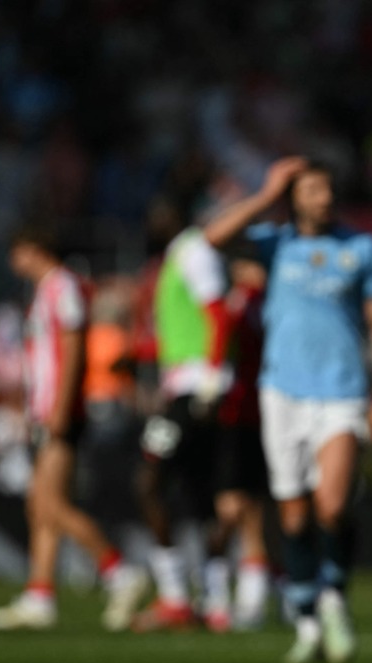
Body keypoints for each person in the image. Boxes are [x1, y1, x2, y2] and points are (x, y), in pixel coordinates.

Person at [203, 157, 372, 663]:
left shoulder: (360, 247)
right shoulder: (276, 244)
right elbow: (214, 238)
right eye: (312, 189)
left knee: (331, 505)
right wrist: (267, 192)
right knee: (292, 517)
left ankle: (334, 596)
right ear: (295, 197)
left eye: (328, 188)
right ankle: (307, 617)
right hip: (282, 394)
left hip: (342, 391)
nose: (323, 198)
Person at [0, 225, 148, 631]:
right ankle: (40, 594)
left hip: (62, 410)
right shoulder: (45, 291)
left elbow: (74, 347)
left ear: (31, 249)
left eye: (17, 253)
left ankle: (119, 572)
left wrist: (60, 406)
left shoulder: (63, 287)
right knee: (40, 505)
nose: (14, 263)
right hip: (46, 409)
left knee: (52, 503)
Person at [132, 219, 233, 631]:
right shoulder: (177, 259)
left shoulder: (192, 251)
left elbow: (218, 317)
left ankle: (175, 596)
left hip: (195, 391)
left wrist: (210, 381)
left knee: (149, 480)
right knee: (198, 492)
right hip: (189, 388)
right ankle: (214, 599)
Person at [200, 255, 272, 632]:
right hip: (240, 414)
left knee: (247, 509)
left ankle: (241, 599)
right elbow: (220, 345)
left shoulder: (261, 301)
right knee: (236, 508)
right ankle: (227, 592)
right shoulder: (242, 302)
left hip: (255, 414)